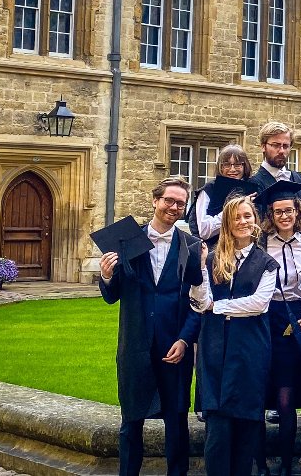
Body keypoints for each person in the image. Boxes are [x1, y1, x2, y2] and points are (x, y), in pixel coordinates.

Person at [97, 177, 203, 476]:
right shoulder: (126, 241)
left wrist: (185, 340)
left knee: (177, 420)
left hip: (175, 347)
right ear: (156, 201)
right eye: (169, 200)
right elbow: (112, 294)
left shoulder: (191, 247)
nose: (173, 207)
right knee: (131, 421)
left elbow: (198, 302)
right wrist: (106, 275)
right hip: (135, 345)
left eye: (180, 203)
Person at [189, 194, 279, 476]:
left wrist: (220, 306)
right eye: (236, 217)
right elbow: (200, 303)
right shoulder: (214, 258)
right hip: (214, 349)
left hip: (248, 349)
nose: (242, 221)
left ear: (256, 221)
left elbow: (258, 304)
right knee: (217, 431)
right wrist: (201, 268)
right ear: (227, 223)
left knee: (246, 427)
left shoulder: (266, 263)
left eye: (247, 216)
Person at [255, 181, 301, 476]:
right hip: (264, 319)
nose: (284, 216)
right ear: (270, 214)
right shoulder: (260, 244)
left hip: (295, 320)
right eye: (278, 212)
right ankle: (260, 463)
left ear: (297, 211)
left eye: (288, 211)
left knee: (285, 397)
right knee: (258, 391)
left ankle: (286, 463)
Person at [249, 121, 301, 235]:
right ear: (263, 146)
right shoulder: (251, 186)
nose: (281, 151)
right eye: (275, 145)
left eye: (286, 146)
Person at [189, 144, 252, 244]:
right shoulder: (209, 190)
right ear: (220, 167)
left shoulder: (252, 189)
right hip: (216, 250)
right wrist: (231, 211)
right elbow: (204, 231)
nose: (232, 169)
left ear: (245, 166)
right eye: (227, 165)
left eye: (237, 164)